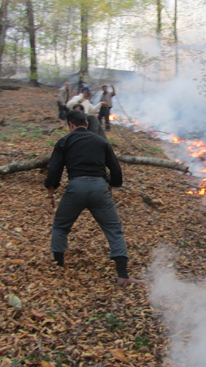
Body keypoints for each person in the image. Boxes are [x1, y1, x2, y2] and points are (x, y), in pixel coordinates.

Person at [44, 110, 142, 287]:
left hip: (76, 188)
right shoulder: (101, 141)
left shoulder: (64, 141)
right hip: (99, 188)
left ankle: (58, 267)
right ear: (87, 124)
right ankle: (123, 275)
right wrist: (111, 185)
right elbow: (116, 170)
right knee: (114, 229)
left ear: (71, 125)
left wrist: (50, 195)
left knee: (60, 226)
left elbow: (54, 169)